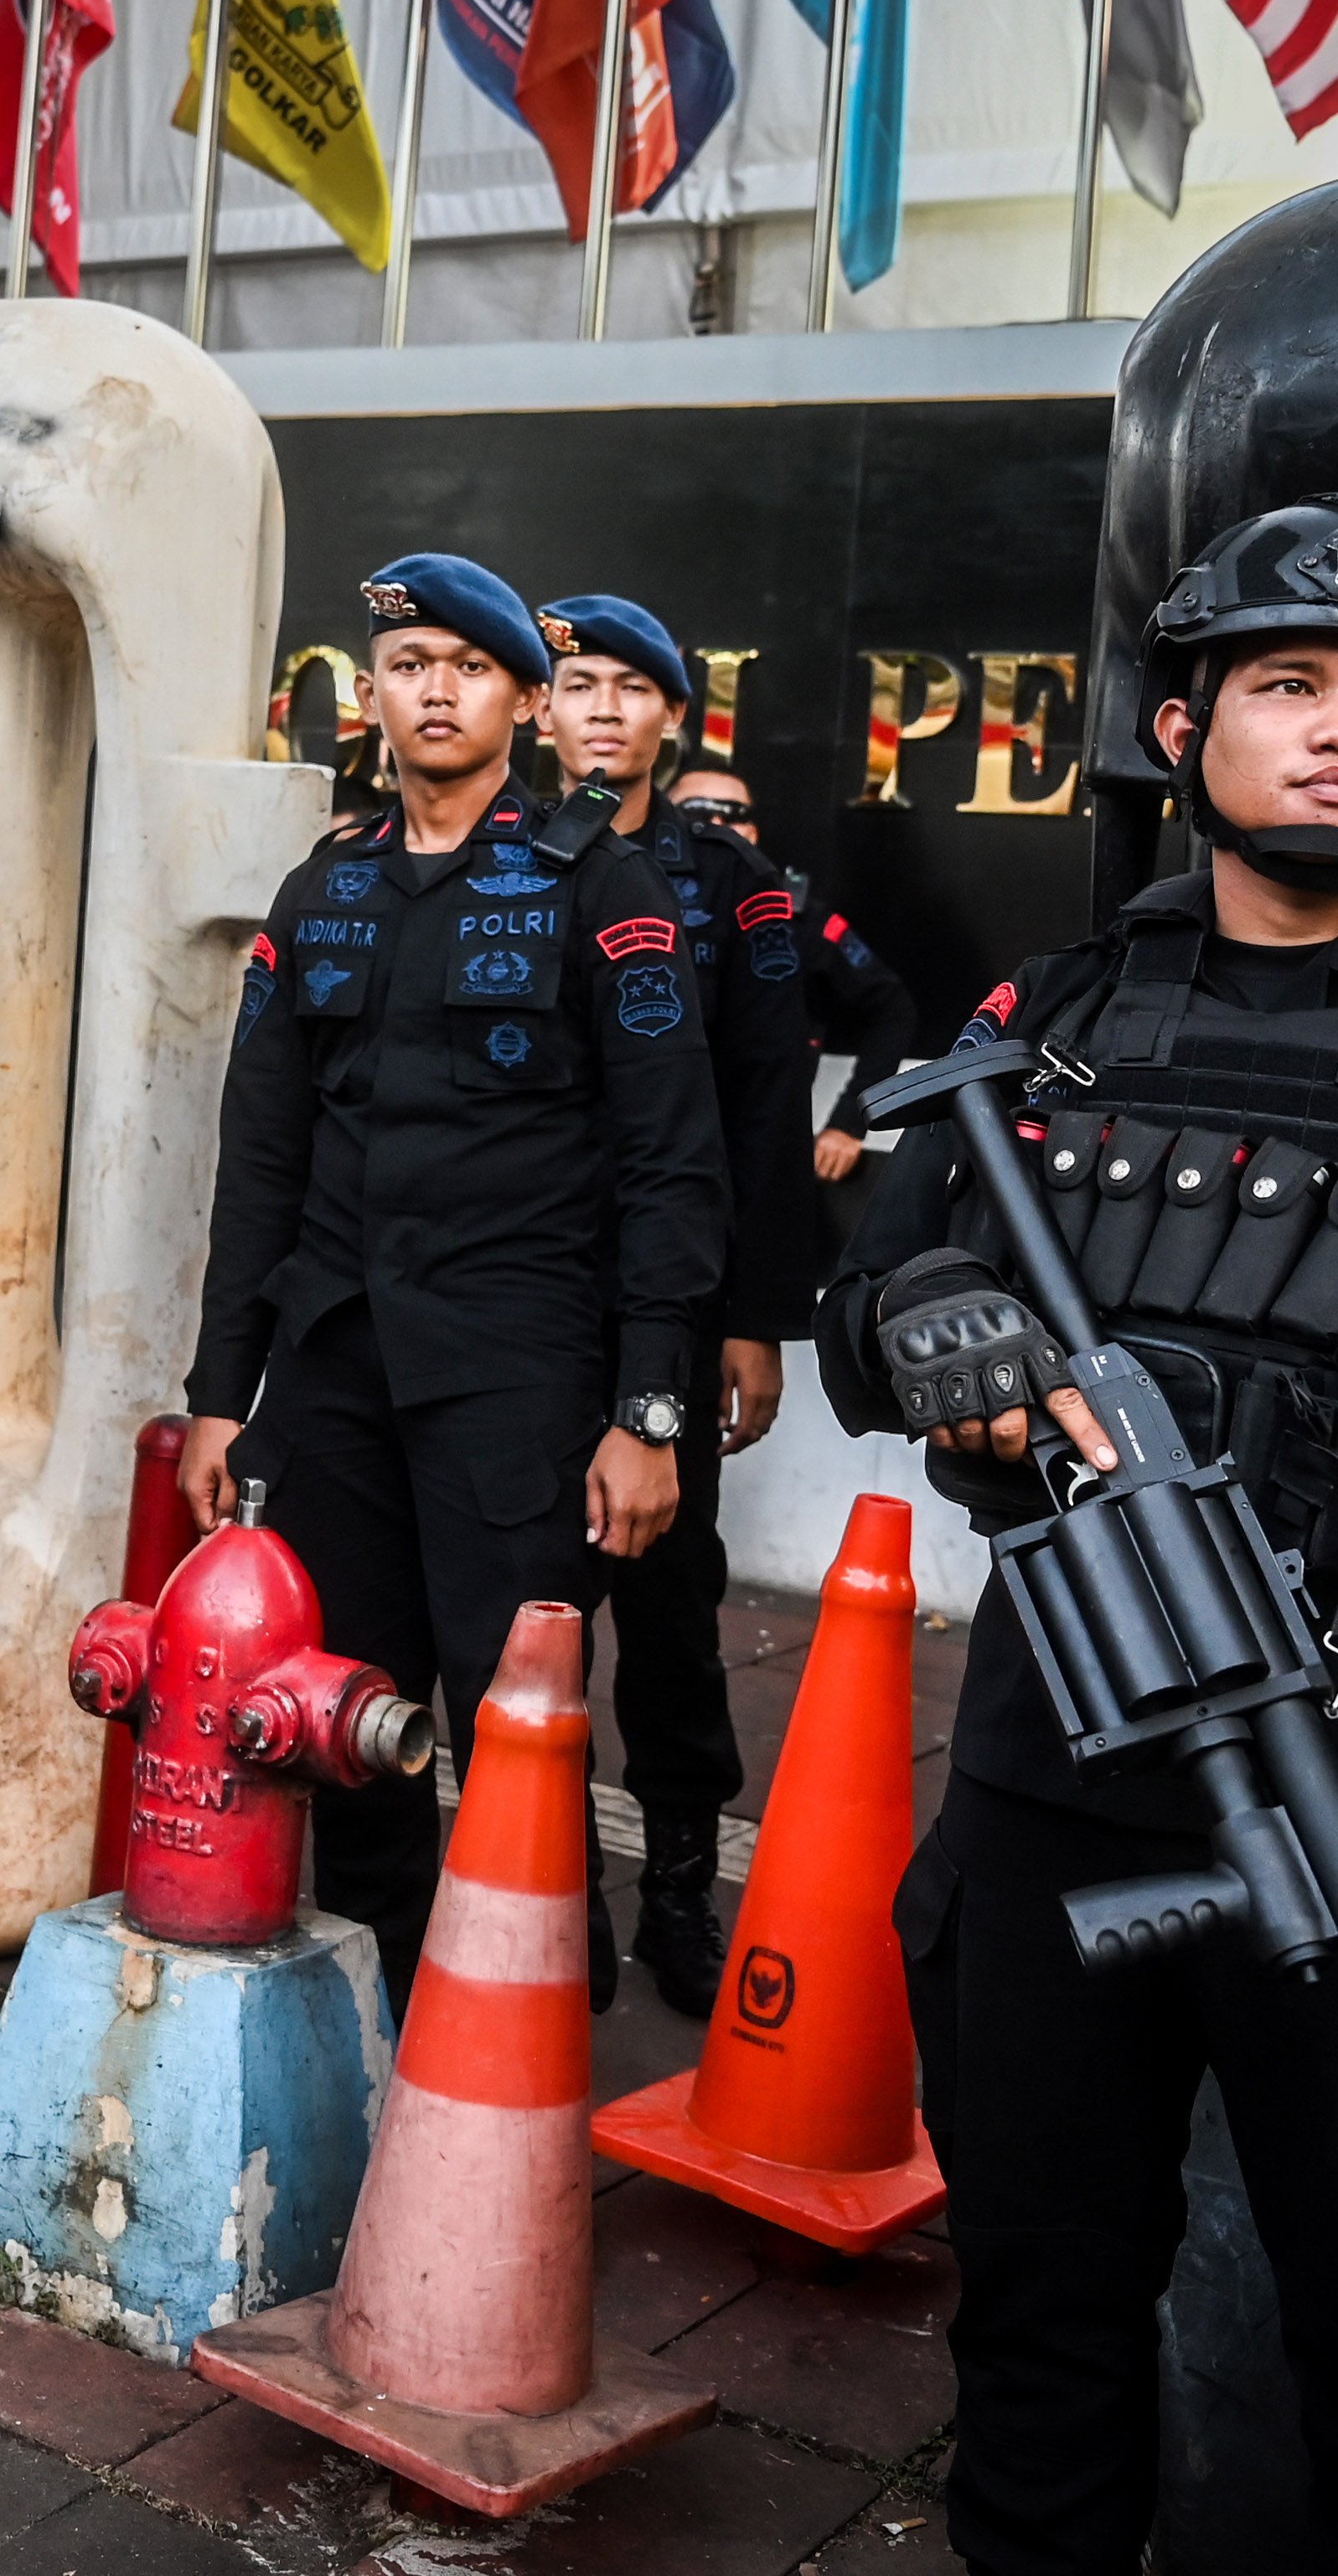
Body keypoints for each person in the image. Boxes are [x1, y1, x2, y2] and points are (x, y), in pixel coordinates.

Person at [821, 498, 1338, 2576]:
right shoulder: (1051, 1014)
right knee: (1035, 2326)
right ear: (1182, 725)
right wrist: (921, 1314)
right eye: (1288, 684)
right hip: (1058, 1788)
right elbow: (864, 1305)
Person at [181, 552, 730, 2003]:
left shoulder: (597, 887)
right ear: (371, 691)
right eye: (408, 663)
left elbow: (670, 1164)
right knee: (348, 1719)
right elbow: (260, 1159)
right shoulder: (326, 884)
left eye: (466, 667)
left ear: (524, 701)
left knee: (513, 1724)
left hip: (517, 1377)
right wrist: (217, 1396)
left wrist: (648, 1409)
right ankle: (378, 2009)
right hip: (335, 1374)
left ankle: (536, 2000)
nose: (433, 689)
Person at [532, 596, 815, 2016]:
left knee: (671, 1607)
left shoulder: (734, 883)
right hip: (523, 1290)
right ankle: (554, 1897)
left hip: (672, 1297)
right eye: (574, 683)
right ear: (540, 706)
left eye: (628, 688)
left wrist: (754, 1318)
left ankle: (680, 1893)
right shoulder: (491, 857)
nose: (598, 710)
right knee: (527, 1606)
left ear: (669, 719)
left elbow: (764, 1112)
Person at [666, 757, 922, 1192]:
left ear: (752, 832)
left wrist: (849, 1123)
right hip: (642, 1149)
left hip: (755, 1162)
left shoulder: (796, 921)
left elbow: (892, 1009)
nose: (714, 824)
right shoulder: (618, 905)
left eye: (732, 815)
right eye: (694, 811)